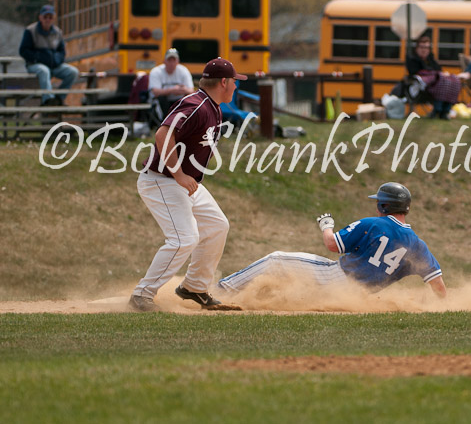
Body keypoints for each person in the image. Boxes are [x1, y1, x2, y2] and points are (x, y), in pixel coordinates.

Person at [129, 57, 247, 312]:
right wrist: (180, 173)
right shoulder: (195, 104)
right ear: (224, 82)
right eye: (235, 82)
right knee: (184, 238)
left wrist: (183, 176)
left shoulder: (212, 106)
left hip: (182, 183)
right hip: (162, 180)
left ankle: (194, 288)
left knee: (217, 226)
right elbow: (163, 134)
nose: (236, 87)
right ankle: (142, 295)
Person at [216, 182, 447, 299]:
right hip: (359, 295)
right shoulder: (418, 244)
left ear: (383, 206)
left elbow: (332, 244)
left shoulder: (374, 224)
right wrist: (443, 306)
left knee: (276, 260)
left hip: (336, 277)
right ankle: (255, 298)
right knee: (293, 279)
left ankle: (221, 290)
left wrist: (326, 225)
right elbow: (437, 283)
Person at [18, 4, 79, 106]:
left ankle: (59, 98)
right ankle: (48, 100)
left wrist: (57, 60)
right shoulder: (31, 31)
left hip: (54, 65)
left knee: (73, 72)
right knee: (44, 71)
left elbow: (62, 51)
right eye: (45, 17)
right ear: (40, 17)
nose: (47, 19)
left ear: (53, 18)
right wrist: (38, 58)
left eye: (50, 17)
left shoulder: (57, 32)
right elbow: (23, 50)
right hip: (36, 64)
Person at [405, 36, 461, 119]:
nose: (424, 50)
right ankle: (437, 110)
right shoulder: (412, 59)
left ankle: (446, 110)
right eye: (422, 47)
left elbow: (438, 69)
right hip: (422, 85)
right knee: (443, 81)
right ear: (417, 48)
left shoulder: (430, 58)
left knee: (454, 80)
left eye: (427, 47)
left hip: (436, 81)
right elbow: (415, 72)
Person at [149, 48, 194, 121]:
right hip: (162, 102)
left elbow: (191, 90)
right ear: (164, 61)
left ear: (178, 61)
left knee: (188, 100)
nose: (172, 63)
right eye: (169, 60)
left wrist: (183, 90)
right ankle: (164, 123)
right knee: (161, 99)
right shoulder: (156, 72)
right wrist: (172, 90)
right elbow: (155, 92)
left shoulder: (183, 71)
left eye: (174, 60)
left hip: (178, 100)